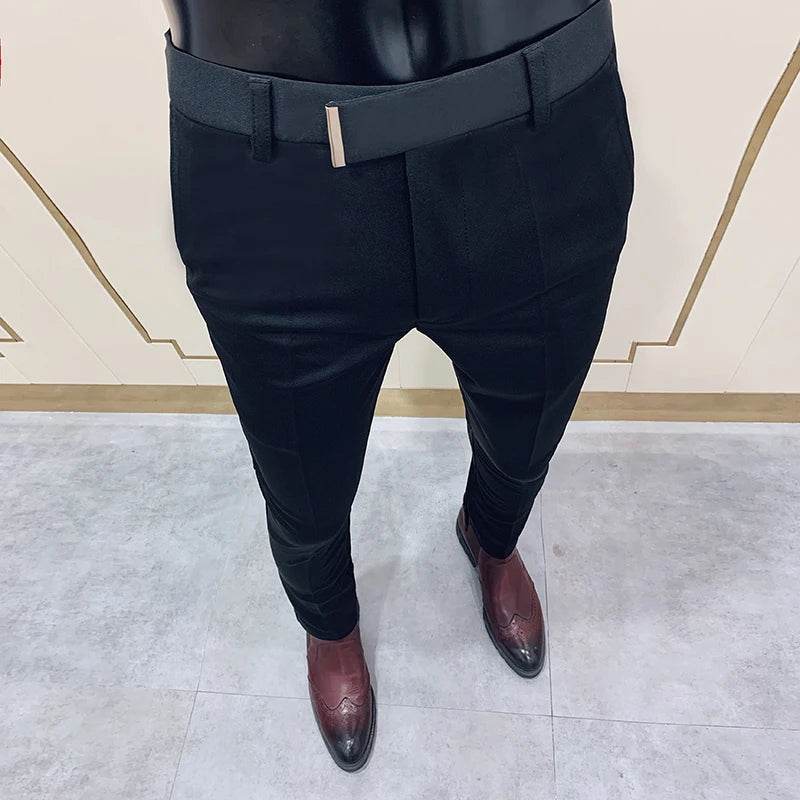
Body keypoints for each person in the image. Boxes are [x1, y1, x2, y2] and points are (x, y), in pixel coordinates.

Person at [162, 0, 634, 771]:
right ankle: (329, 623)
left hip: (540, 122)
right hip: (272, 151)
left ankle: (492, 536)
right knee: (301, 478)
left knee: (530, 422)